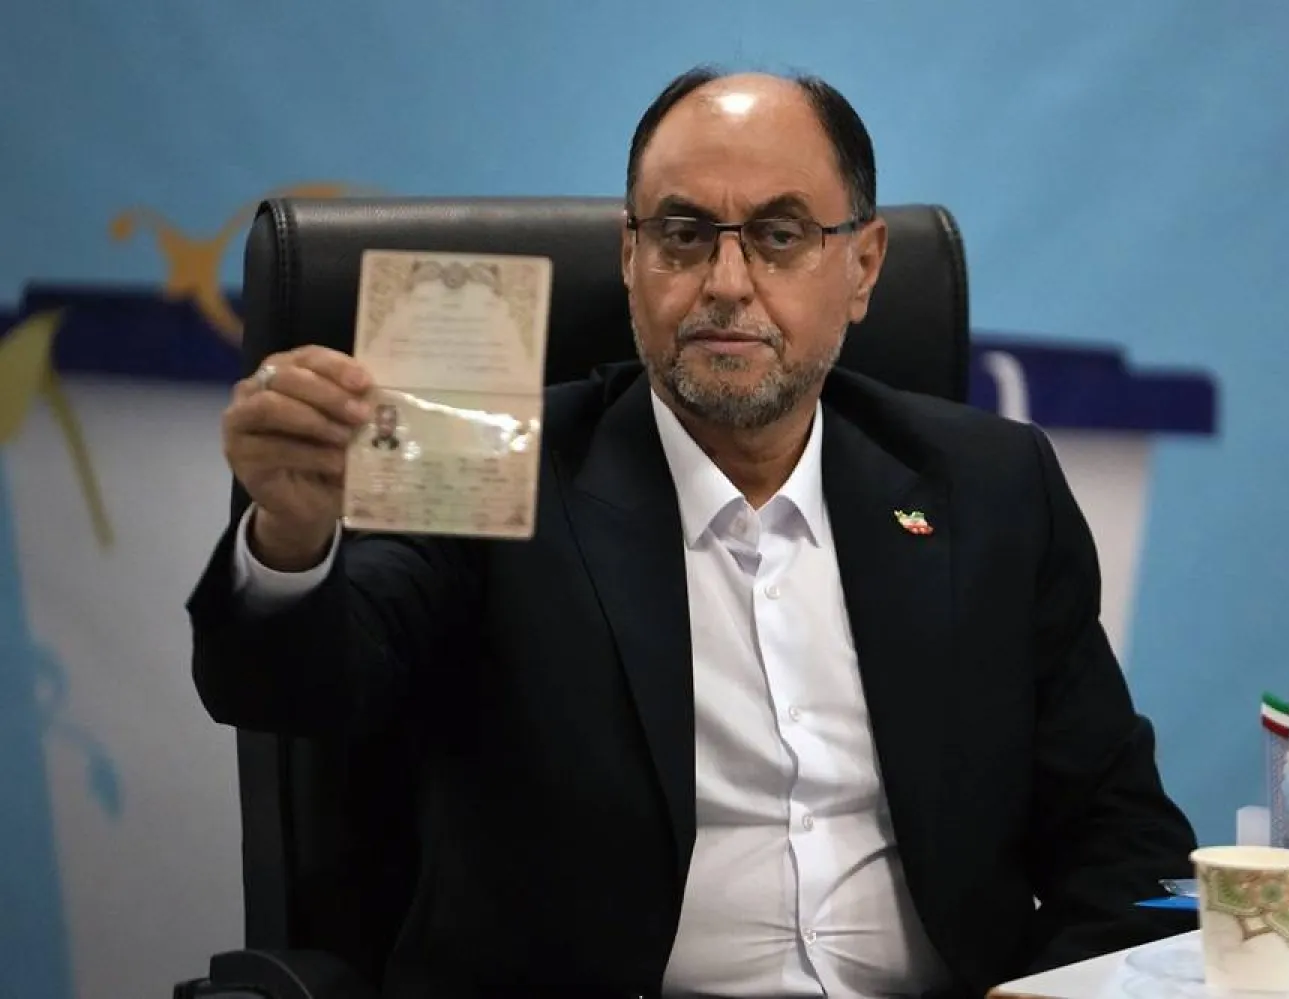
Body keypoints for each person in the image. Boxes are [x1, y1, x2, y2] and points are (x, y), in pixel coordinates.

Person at [188, 66, 1198, 999]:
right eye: (681, 232)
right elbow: (303, 690)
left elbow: (1119, 839)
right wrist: (291, 533)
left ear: (863, 265)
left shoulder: (990, 489)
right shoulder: (497, 462)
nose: (723, 282)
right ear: (630, 259)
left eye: (778, 233)